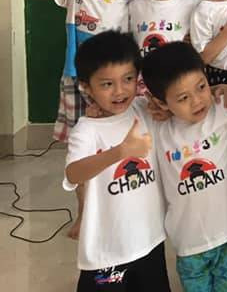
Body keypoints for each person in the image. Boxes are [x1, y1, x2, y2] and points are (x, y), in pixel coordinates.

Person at [31, 0, 144, 238]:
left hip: (120, 83)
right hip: (78, 82)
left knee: (121, 144)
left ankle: (127, 207)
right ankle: (84, 213)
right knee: (83, 151)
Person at [62, 31, 169, 291]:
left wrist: (217, 89)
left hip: (150, 241)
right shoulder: (87, 130)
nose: (120, 91)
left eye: (128, 79)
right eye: (107, 84)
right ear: (86, 87)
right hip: (107, 254)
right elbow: (73, 174)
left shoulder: (144, 109)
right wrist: (120, 152)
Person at [142, 41, 227, 292]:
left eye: (201, 87)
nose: (197, 101)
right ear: (161, 103)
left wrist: (225, 88)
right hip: (188, 244)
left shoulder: (225, 109)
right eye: (183, 98)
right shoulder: (157, 126)